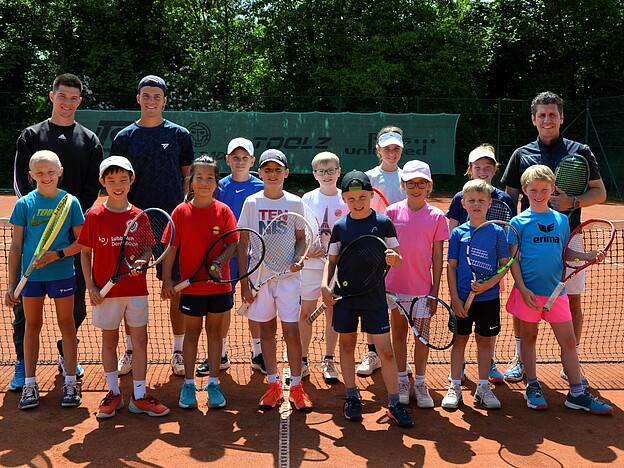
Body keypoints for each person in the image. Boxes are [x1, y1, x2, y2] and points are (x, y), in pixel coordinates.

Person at [500, 91, 607, 386]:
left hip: (569, 235)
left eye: (553, 115)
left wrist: (572, 202)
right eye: (542, 115)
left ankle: (572, 361)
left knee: (572, 299)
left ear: (561, 118)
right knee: (524, 298)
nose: (547, 120)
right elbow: (509, 198)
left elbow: (599, 192)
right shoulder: (521, 154)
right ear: (533, 119)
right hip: (529, 240)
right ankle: (520, 358)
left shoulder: (580, 151)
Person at [11, 73, 102, 390]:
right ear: (52, 96)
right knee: (25, 308)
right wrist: (40, 218)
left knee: (74, 306)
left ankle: (67, 355)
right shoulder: (31, 135)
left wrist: (67, 221)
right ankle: (22, 363)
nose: (67, 102)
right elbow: (21, 183)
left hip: (71, 237)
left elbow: (91, 188)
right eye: (62, 96)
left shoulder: (89, 140)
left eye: (73, 98)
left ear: (79, 101)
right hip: (34, 238)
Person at [506, 165, 612, 414]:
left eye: (544, 189)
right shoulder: (517, 222)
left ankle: (577, 393)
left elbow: (566, 253)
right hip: (528, 294)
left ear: (552, 189)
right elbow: (513, 260)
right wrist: (522, 289)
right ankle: (533, 385)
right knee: (529, 338)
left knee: (569, 341)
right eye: (533, 190)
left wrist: (587, 255)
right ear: (525, 190)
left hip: (557, 294)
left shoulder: (561, 220)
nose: (539, 194)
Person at [111, 75, 194, 377]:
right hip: (135, 224)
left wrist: (179, 210)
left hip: (171, 225)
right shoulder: (124, 138)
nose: (151, 101)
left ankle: (178, 351)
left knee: (175, 287)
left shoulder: (179, 135)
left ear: (164, 101)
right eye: (146, 95)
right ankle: (130, 350)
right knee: (129, 288)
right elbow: (117, 181)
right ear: (138, 98)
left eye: (157, 96)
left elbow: (186, 175)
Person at [78, 156, 170, 418]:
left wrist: (143, 259)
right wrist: (91, 287)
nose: (117, 185)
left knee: (140, 341)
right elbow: (85, 253)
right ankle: (113, 393)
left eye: (122, 179)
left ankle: (139, 396)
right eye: (111, 180)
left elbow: (148, 249)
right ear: (102, 182)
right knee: (109, 342)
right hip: (105, 293)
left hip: (136, 291)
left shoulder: (140, 216)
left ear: (132, 180)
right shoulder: (94, 216)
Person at [321, 170, 413, 428]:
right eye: (351, 199)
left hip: (374, 297)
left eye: (362, 197)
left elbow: (397, 257)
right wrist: (325, 286)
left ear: (371, 196)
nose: (357, 202)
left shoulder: (383, 223)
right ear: (344, 199)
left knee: (386, 351)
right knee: (347, 345)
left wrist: (395, 259)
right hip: (346, 296)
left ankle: (394, 403)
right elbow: (332, 262)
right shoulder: (340, 227)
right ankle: (351, 397)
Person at [5, 150, 85, 410]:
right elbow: (16, 247)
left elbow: (82, 243)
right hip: (32, 278)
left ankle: (70, 382)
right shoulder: (24, 205)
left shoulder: (71, 203)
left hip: (61, 274)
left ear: (60, 171)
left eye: (51, 171)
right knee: (32, 326)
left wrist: (56, 255)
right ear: (31, 175)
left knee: (67, 325)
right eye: (39, 173)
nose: (46, 176)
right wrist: (11, 284)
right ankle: (30, 383)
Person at [238, 149, 313, 412]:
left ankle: (296, 387)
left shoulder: (295, 202)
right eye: (267, 170)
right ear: (260, 173)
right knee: (267, 331)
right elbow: (243, 242)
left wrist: (298, 257)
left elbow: (301, 238)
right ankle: (273, 385)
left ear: (286, 173)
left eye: (277, 170)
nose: (272, 174)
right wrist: (244, 282)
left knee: (292, 332)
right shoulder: (251, 203)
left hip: (289, 279)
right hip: (259, 277)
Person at [162, 155, 236, 410]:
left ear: (217, 182)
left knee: (215, 333)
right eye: (199, 177)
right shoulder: (180, 212)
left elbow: (233, 243)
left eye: (210, 178)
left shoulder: (223, 211)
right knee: (191, 334)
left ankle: (213, 383)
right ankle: (189, 384)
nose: (204, 182)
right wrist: (168, 279)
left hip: (219, 286)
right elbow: (171, 248)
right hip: (191, 288)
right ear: (190, 180)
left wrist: (218, 262)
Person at [446, 144, 516, 383]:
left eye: (488, 167)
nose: (483, 171)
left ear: (495, 170)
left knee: (486, 333)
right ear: (470, 169)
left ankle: (488, 366)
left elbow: (505, 244)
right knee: (461, 336)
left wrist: (491, 281)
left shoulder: (503, 199)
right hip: (465, 278)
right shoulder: (459, 198)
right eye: (478, 167)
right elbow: (454, 236)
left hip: (491, 276)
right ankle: (459, 370)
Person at [196, 138, 266, 376]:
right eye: (235, 158)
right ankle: (221, 354)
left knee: (254, 303)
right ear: (227, 160)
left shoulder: (261, 187)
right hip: (225, 255)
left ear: (252, 161)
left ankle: (258, 354)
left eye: (245, 158)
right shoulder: (219, 187)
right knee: (222, 306)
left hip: (252, 255)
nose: (240, 162)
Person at [385, 160, 449, 407]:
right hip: (394, 288)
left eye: (421, 183)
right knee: (398, 332)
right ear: (402, 185)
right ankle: (402, 380)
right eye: (411, 183)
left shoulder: (437, 216)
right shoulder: (391, 213)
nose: (416, 188)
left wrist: (435, 291)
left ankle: (420, 383)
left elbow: (437, 256)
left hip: (422, 290)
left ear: (429, 186)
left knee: (422, 337)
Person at [443, 180, 509, 410]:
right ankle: (455, 386)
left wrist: (489, 283)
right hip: (461, 300)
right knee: (459, 340)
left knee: (484, 341)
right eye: (471, 200)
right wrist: (455, 299)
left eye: (481, 200)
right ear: (463, 204)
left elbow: (504, 264)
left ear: (490, 203)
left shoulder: (497, 232)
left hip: (488, 299)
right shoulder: (457, 233)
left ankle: (482, 387)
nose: (476, 204)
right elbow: (451, 266)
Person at [359, 126, 408, 377]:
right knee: (372, 301)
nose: (392, 153)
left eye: (396, 148)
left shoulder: (407, 177)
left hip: (400, 248)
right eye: (387, 148)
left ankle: (400, 355)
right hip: (373, 246)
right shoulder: (368, 177)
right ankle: (373, 354)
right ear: (378, 150)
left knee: (398, 304)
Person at [299, 152, 348, 383]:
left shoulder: (345, 199)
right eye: (321, 171)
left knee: (332, 312)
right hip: (310, 266)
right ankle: (302, 360)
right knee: (305, 313)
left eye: (330, 170)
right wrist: (307, 251)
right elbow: (299, 231)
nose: (326, 175)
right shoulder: (307, 198)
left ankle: (329, 359)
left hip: (337, 267)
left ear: (339, 172)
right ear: (314, 174)